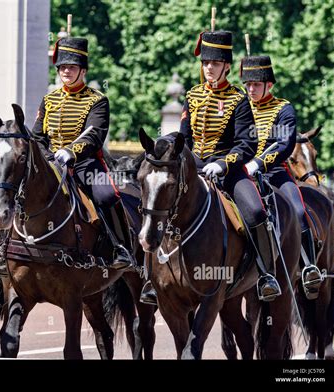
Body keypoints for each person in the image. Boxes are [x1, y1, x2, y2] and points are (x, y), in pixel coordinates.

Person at [143, 31, 282, 305]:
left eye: (215, 63)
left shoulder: (239, 100)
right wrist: (165, 145)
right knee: (159, 204)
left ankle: (267, 274)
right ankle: (151, 277)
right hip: (194, 168)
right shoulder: (192, 96)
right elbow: (184, 138)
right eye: (206, 63)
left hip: (229, 172)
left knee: (255, 211)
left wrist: (221, 164)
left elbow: (246, 145)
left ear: (227, 66)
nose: (209, 68)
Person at [31, 36, 134, 270]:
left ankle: (121, 248)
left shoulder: (97, 100)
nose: (66, 71)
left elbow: (95, 135)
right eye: (63, 67)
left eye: (72, 67)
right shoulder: (49, 100)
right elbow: (37, 137)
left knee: (107, 196)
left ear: (83, 70)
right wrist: (48, 157)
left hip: (85, 165)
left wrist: (70, 152)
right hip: (51, 165)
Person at [241, 55, 322, 299]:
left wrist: (259, 163)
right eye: (248, 85)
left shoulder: (283, 108)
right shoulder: (240, 106)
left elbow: (285, 144)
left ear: (269, 85)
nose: (251, 89)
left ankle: (309, 266)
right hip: (241, 171)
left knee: (297, 210)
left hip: (274, 172)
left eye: (256, 84)